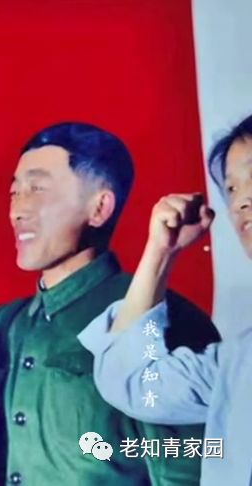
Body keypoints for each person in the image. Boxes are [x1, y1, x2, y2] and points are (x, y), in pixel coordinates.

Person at [0, 122, 220, 485]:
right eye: (14, 192)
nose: (17, 211)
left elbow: (193, 468)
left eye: (37, 189)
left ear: (99, 208)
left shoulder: (155, 320)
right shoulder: (2, 326)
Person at [78, 113, 252, 485]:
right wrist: (161, 251)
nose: (241, 201)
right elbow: (135, 383)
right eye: (232, 188)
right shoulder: (237, 363)